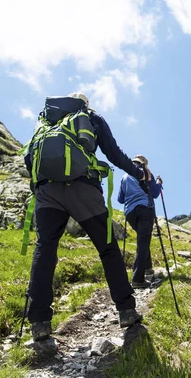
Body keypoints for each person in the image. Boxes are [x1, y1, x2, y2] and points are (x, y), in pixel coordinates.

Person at [24, 92, 149, 341]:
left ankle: (39, 321)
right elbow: (113, 153)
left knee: (45, 249)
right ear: (85, 104)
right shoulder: (90, 117)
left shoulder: (47, 122)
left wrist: (42, 186)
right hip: (83, 188)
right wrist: (138, 172)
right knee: (108, 248)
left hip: (47, 191)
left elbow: (29, 158)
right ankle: (126, 310)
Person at [118, 155, 162, 289]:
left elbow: (120, 199)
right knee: (143, 241)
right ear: (144, 164)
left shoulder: (124, 176)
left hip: (130, 213)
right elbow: (154, 193)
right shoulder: (146, 173)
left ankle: (148, 268)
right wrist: (159, 183)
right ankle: (137, 279)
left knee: (143, 239)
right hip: (144, 209)